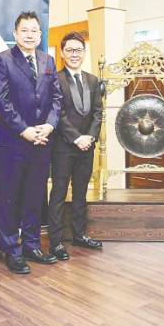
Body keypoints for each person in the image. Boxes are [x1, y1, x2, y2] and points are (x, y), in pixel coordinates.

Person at [0, 11, 62, 274]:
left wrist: (49, 125)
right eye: (25, 30)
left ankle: (32, 245)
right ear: (15, 33)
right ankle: (11, 249)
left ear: (40, 35)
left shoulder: (48, 60)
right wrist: (24, 129)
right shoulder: (3, 60)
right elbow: (1, 100)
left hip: (42, 141)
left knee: (34, 197)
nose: (30, 35)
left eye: (34, 31)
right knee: (9, 198)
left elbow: (56, 98)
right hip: (12, 142)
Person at [48, 31, 103, 260]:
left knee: (81, 193)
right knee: (59, 194)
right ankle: (56, 242)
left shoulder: (92, 80)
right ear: (62, 53)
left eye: (78, 50)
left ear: (84, 52)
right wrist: (76, 138)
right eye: (69, 50)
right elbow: (57, 114)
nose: (74, 54)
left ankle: (80, 234)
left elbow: (98, 112)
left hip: (87, 147)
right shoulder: (55, 79)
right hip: (63, 147)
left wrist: (89, 137)